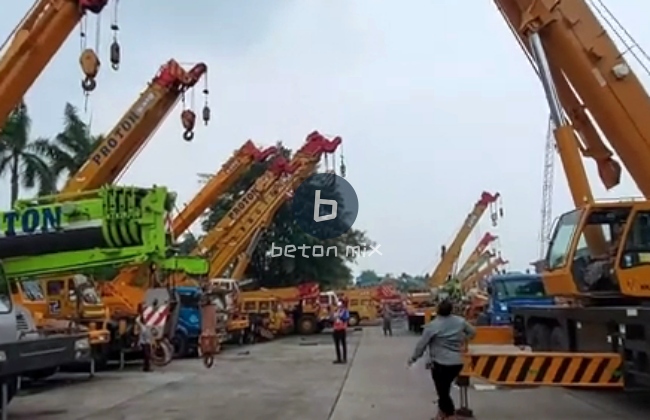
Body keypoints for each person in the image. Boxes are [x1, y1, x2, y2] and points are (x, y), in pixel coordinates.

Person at [407, 300, 475, 420]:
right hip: (456, 363)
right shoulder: (460, 321)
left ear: (437, 310)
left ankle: (450, 415)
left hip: (440, 364)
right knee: (444, 390)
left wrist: (413, 358)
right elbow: (473, 332)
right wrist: (462, 339)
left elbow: (422, 344)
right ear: (451, 310)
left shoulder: (433, 325)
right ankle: (441, 415)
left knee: (443, 393)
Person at [136, 303, 153, 372]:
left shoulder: (147, 319)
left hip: (147, 339)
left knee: (148, 354)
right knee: (146, 354)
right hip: (143, 340)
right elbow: (137, 325)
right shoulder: (139, 321)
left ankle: (147, 367)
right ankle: (146, 367)